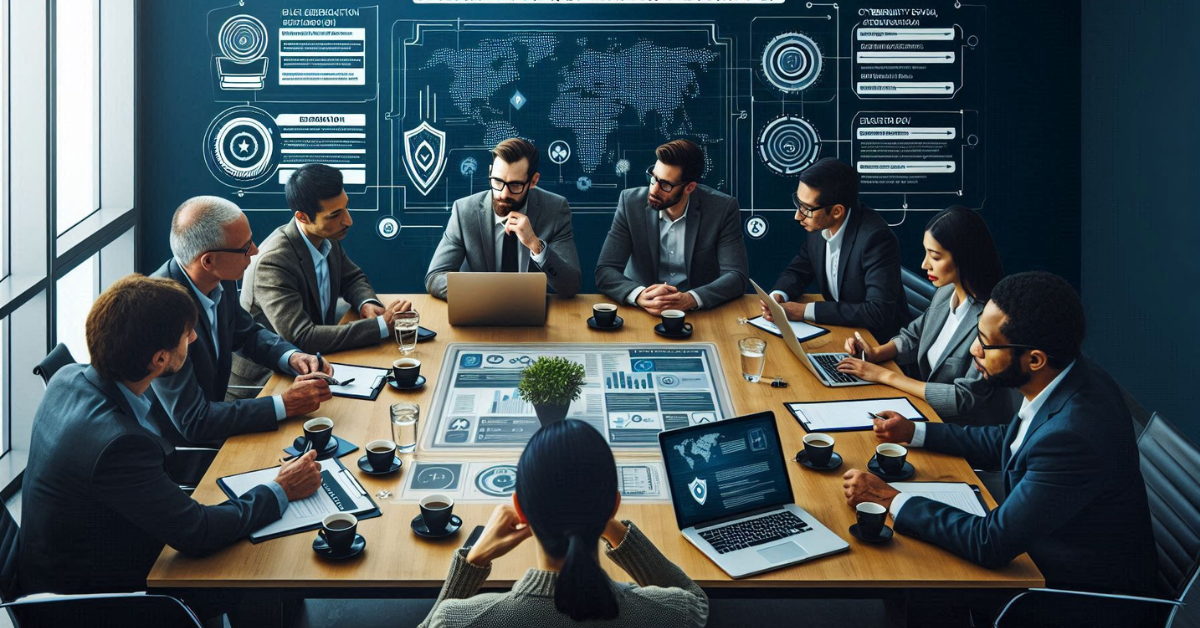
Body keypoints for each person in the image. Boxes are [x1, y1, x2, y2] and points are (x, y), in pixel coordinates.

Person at [841, 272, 1156, 620]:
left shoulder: (1073, 435)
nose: (975, 349)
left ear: (1034, 359)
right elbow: (1010, 440)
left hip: (1075, 594)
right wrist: (914, 432)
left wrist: (888, 498)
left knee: (918, 573)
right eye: (977, 333)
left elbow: (990, 543)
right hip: (1046, 541)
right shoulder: (1068, 375)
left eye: (986, 343)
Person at [17, 275, 322, 598]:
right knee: (258, 568)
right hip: (91, 598)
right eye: (186, 334)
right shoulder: (118, 446)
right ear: (160, 359)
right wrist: (281, 488)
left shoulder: (69, 376)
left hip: (72, 552)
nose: (193, 338)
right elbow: (199, 532)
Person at [418, 420, 709, 628]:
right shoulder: (673, 615)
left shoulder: (459, 621)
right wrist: (606, 521)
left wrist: (474, 560)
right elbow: (697, 602)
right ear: (612, 506)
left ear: (521, 509)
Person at [150, 196, 333, 445]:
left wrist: (291, 356)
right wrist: (285, 404)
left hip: (222, 421)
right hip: (183, 453)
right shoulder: (160, 314)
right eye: (245, 247)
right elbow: (194, 421)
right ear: (208, 261)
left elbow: (246, 333)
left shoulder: (220, 277)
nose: (256, 250)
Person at [834, 206, 1016, 426]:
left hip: (966, 433)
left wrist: (884, 375)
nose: (924, 264)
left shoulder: (991, 319)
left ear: (965, 258)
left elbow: (963, 398)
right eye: (926, 252)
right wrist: (875, 353)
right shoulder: (945, 292)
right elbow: (915, 335)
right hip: (928, 412)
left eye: (935, 257)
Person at [241, 164, 413, 358]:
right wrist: (381, 326)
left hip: (319, 359)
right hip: (270, 376)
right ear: (303, 217)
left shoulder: (327, 236)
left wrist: (366, 302)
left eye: (345, 207)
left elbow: (352, 278)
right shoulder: (272, 263)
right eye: (334, 215)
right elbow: (302, 337)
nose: (348, 221)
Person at [762, 157, 909, 341]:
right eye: (798, 204)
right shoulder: (818, 225)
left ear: (837, 211)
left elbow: (877, 312)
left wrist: (805, 311)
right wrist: (778, 296)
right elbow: (798, 271)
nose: (797, 215)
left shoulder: (876, 238)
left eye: (806, 208)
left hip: (877, 343)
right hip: (842, 332)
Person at [595, 139, 748, 314]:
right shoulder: (630, 203)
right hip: (643, 311)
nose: (653, 190)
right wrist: (639, 295)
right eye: (653, 177)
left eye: (665, 185)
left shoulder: (722, 208)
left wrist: (691, 299)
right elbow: (605, 271)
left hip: (698, 313)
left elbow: (737, 276)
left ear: (689, 187)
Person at [425, 138, 582, 299]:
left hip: (533, 316)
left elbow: (571, 286)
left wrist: (536, 245)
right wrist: (489, 294)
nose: (503, 194)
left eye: (515, 185)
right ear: (490, 172)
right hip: (480, 311)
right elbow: (435, 278)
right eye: (497, 181)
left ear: (533, 181)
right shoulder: (464, 211)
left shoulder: (555, 210)